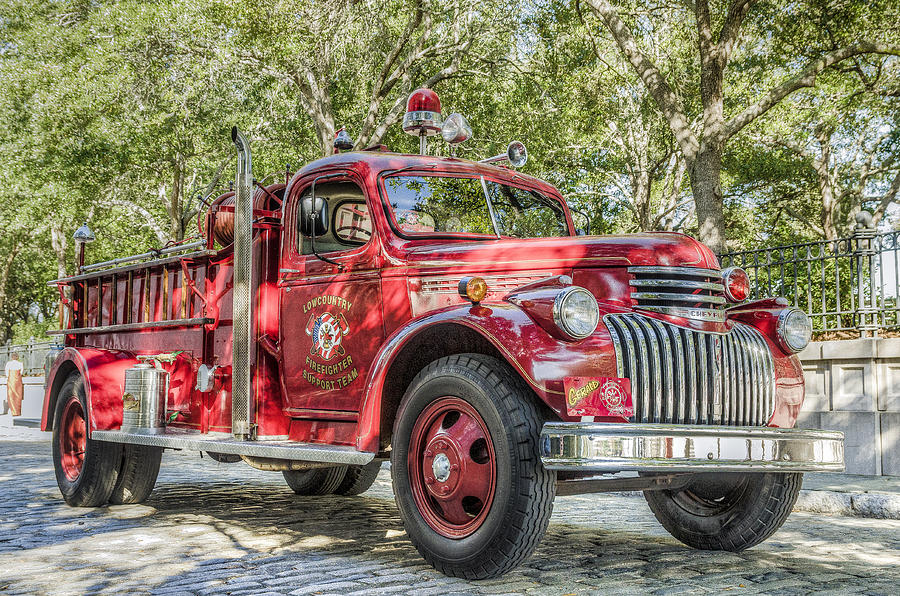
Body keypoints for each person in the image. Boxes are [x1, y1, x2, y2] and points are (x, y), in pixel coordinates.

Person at [5, 352, 24, 417]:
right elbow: (21, 373)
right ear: (17, 357)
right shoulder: (20, 363)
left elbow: (7, 373)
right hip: (18, 380)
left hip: (11, 380)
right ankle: (18, 411)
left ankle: (13, 411)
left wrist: (9, 377)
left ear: (11, 357)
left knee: (11, 395)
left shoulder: (8, 363)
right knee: (18, 395)